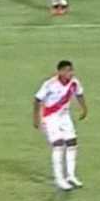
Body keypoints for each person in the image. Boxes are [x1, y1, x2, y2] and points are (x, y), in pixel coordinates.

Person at [33, 60, 87, 191]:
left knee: (72, 142)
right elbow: (37, 100)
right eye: (68, 70)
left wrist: (84, 108)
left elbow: (79, 94)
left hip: (64, 116)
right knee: (58, 145)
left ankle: (71, 176)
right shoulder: (50, 84)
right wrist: (36, 118)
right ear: (60, 72)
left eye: (71, 70)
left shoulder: (74, 82)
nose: (70, 73)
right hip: (50, 118)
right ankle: (59, 179)